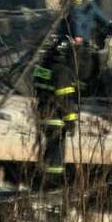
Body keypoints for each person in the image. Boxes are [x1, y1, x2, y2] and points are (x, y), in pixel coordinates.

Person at [32, 34, 81, 179]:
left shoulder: (42, 68)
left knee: (47, 151)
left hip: (42, 114)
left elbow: (36, 85)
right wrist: (70, 120)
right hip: (56, 118)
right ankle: (53, 182)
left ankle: (43, 178)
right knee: (56, 154)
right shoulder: (63, 71)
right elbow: (65, 99)